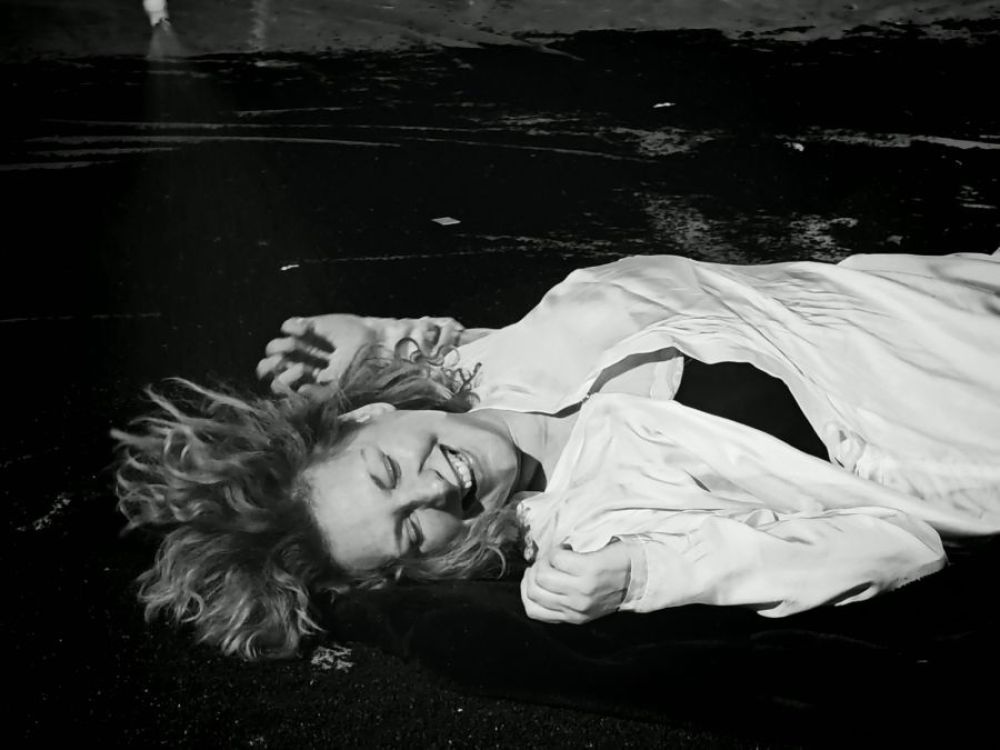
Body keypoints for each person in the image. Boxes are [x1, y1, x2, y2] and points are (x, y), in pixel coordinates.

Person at [113, 251, 1000, 659]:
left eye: (386, 472)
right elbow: (897, 547)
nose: (431, 490)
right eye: (410, 532)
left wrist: (385, 338)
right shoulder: (593, 527)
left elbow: (477, 368)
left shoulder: (500, 358)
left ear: (370, 414)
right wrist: (647, 573)